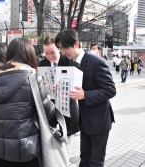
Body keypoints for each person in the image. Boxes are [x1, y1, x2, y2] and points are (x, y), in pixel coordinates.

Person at [0, 38, 56, 167]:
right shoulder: (32, 78)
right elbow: (48, 113)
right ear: (29, 55)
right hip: (25, 147)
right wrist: (46, 92)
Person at [55, 29, 116, 167]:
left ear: (76, 44)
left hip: (99, 120)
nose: (62, 51)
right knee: (84, 159)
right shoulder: (69, 61)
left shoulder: (96, 62)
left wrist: (85, 95)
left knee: (95, 162)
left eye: (64, 47)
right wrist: (58, 87)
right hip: (85, 120)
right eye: (60, 48)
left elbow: (110, 90)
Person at [39, 37, 80, 150]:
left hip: (67, 107)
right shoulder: (42, 64)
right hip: (50, 109)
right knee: (52, 145)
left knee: (67, 144)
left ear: (59, 49)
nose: (50, 56)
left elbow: (77, 84)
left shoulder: (69, 61)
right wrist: (43, 86)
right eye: (46, 53)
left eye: (52, 52)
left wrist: (62, 87)